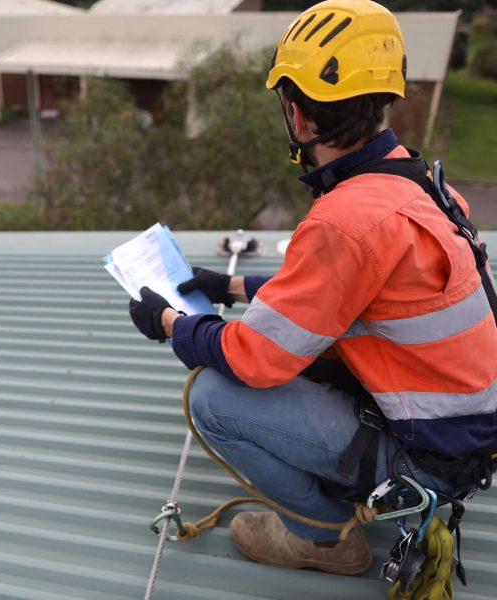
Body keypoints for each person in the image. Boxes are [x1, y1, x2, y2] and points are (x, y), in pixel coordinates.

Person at [128, 0, 497, 576]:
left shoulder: (345, 219)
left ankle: (322, 540)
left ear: (298, 117)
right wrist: (226, 285)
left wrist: (171, 324)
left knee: (212, 399)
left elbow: (256, 359)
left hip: (426, 461)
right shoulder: (414, 180)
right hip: (463, 440)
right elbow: (338, 289)